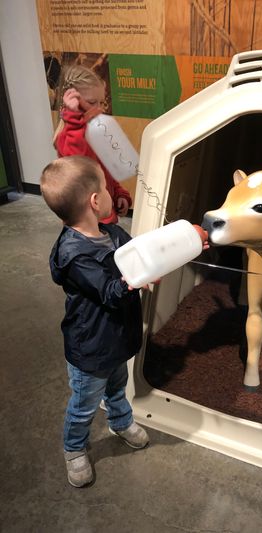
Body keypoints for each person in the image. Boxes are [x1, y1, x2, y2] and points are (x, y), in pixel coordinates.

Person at [40, 155, 148, 488]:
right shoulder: (75, 256)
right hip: (90, 347)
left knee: (116, 386)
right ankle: (73, 448)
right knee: (84, 404)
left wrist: (160, 254)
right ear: (94, 200)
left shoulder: (111, 233)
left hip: (113, 339)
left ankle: (120, 420)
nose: (108, 189)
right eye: (104, 185)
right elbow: (111, 292)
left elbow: (138, 251)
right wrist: (136, 280)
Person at [54, 64, 132, 224]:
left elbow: (105, 171)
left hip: (105, 215)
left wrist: (118, 193)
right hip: (87, 223)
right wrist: (74, 120)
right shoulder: (66, 138)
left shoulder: (96, 132)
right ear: (73, 103)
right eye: (91, 102)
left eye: (101, 103)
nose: (99, 109)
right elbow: (80, 161)